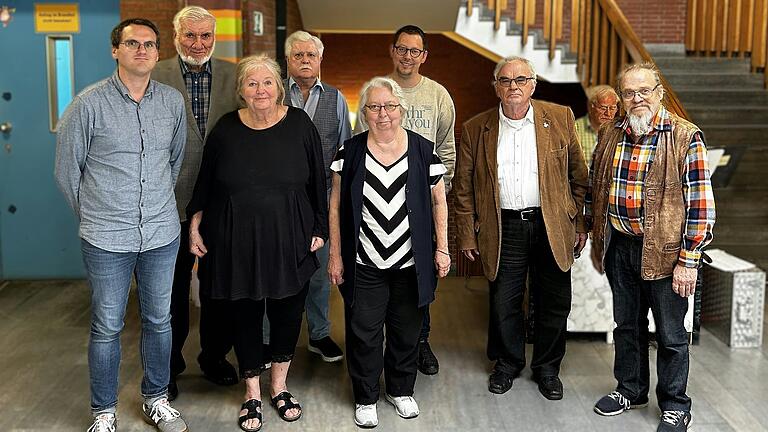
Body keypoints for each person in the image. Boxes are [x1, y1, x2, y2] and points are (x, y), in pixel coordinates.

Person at [55, 18, 189, 432]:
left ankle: (156, 398)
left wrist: (153, 207)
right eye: (133, 43)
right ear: (116, 50)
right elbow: (66, 171)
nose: (142, 50)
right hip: (105, 238)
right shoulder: (88, 104)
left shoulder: (171, 102)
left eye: (150, 44)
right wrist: (97, 214)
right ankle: (103, 411)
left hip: (161, 234)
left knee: (159, 320)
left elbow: (174, 163)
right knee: (107, 325)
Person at [186, 54, 327, 432]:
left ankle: (279, 387)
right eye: (252, 83)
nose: (260, 90)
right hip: (236, 238)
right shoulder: (226, 129)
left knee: (286, 311)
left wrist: (320, 227)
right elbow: (206, 181)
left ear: (279, 88)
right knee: (245, 313)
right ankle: (252, 392)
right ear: (241, 91)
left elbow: (318, 180)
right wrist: (196, 222)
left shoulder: (299, 124)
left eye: (267, 82)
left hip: (291, 235)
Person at [588, 62, 715, 432]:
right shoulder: (612, 131)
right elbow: (598, 184)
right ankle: (630, 389)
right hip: (620, 246)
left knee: (672, 335)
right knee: (627, 325)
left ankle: (675, 405)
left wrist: (688, 261)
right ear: (622, 98)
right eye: (629, 93)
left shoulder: (684, 136)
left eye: (645, 91)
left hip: (666, 253)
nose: (637, 98)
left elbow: (701, 205)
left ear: (659, 92)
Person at [453, 56, 589, 400]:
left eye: (520, 80)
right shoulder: (475, 128)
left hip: (552, 225)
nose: (513, 87)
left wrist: (577, 221)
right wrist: (468, 233)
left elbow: (579, 177)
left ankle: (547, 368)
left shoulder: (560, 118)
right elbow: (464, 188)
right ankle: (508, 364)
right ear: (495, 86)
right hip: (504, 225)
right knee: (504, 301)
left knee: (554, 301)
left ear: (533, 84)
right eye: (505, 80)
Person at [328, 77, 450, 428]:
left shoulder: (424, 150)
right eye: (374, 107)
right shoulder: (348, 153)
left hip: (411, 262)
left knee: (406, 329)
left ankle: (400, 390)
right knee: (363, 330)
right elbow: (335, 205)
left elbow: (439, 201)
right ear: (364, 112)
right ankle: (365, 397)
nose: (383, 114)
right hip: (365, 260)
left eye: (390, 106)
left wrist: (442, 249)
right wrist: (336, 255)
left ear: (401, 110)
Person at [355, 24, 455, 376]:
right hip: (379, 204)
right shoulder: (376, 91)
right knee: (380, 284)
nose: (408, 56)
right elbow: (358, 143)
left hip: (423, 204)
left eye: (415, 51)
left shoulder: (438, 96)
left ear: (424, 56)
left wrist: (437, 194)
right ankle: (378, 350)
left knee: (419, 279)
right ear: (392, 51)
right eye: (402, 49)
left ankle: (419, 343)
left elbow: (446, 148)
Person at [152, 5, 240, 400]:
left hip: (223, 202)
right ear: (175, 37)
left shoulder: (236, 75)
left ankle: (214, 356)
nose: (199, 43)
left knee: (219, 285)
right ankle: (168, 367)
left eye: (206, 36)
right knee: (170, 290)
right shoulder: (156, 74)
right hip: (169, 200)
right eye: (190, 35)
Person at [263, 30, 350, 363]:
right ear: (287, 60)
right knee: (274, 270)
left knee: (318, 272)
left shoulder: (336, 99)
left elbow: (344, 153)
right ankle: (268, 339)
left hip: (323, 198)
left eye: (310, 55)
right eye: (297, 55)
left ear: (319, 59)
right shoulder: (272, 93)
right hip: (276, 201)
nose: (304, 60)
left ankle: (319, 334)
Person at [574, 84, 620, 165]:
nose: (608, 113)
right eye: (603, 108)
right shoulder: (574, 128)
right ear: (591, 106)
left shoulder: (619, 131)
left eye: (612, 108)